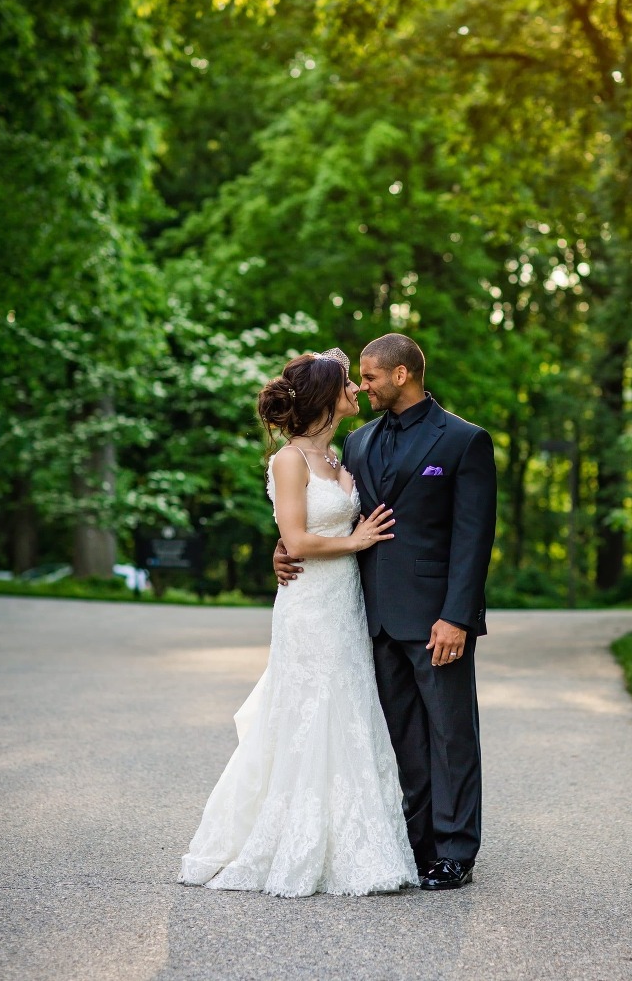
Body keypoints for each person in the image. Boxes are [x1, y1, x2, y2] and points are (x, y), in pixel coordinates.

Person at [179, 349, 418, 897]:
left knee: (350, 707)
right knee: (310, 709)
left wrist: (340, 544)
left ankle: (353, 842)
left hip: (346, 602)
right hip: (309, 606)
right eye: (347, 385)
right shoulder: (289, 461)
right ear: (324, 396)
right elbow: (298, 538)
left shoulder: (340, 455)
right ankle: (290, 841)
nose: (357, 390)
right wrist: (353, 540)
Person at [276, 334, 497, 890]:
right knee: (399, 735)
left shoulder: (464, 441)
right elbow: (326, 520)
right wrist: (282, 548)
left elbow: (474, 538)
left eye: (370, 376)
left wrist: (458, 616)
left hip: (434, 619)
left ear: (402, 375)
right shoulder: (357, 442)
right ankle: (416, 843)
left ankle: (455, 851)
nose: (363, 385)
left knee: (450, 733)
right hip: (365, 616)